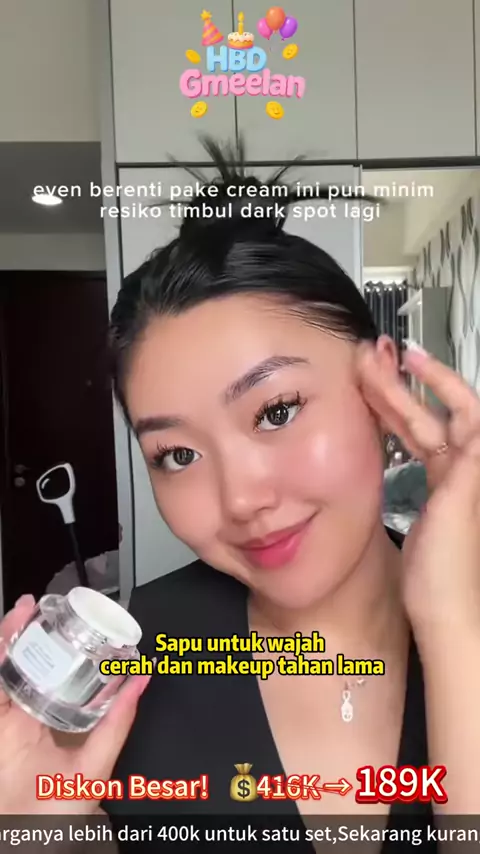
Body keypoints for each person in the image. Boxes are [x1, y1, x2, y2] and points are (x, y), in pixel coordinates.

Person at [1, 139, 480, 847]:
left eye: (276, 411)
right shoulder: (121, 682)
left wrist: (453, 629)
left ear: (383, 390)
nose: (241, 499)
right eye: (178, 454)